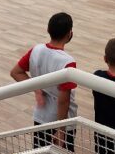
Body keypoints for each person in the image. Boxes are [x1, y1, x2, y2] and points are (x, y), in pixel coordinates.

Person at [10, 13, 77, 149]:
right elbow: (63, 100)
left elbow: (16, 72)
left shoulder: (36, 50)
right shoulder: (68, 62)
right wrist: (61, 130)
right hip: (61, 123)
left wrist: (37, 90)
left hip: (40, 117)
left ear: (48, 30)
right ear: (69, 34)